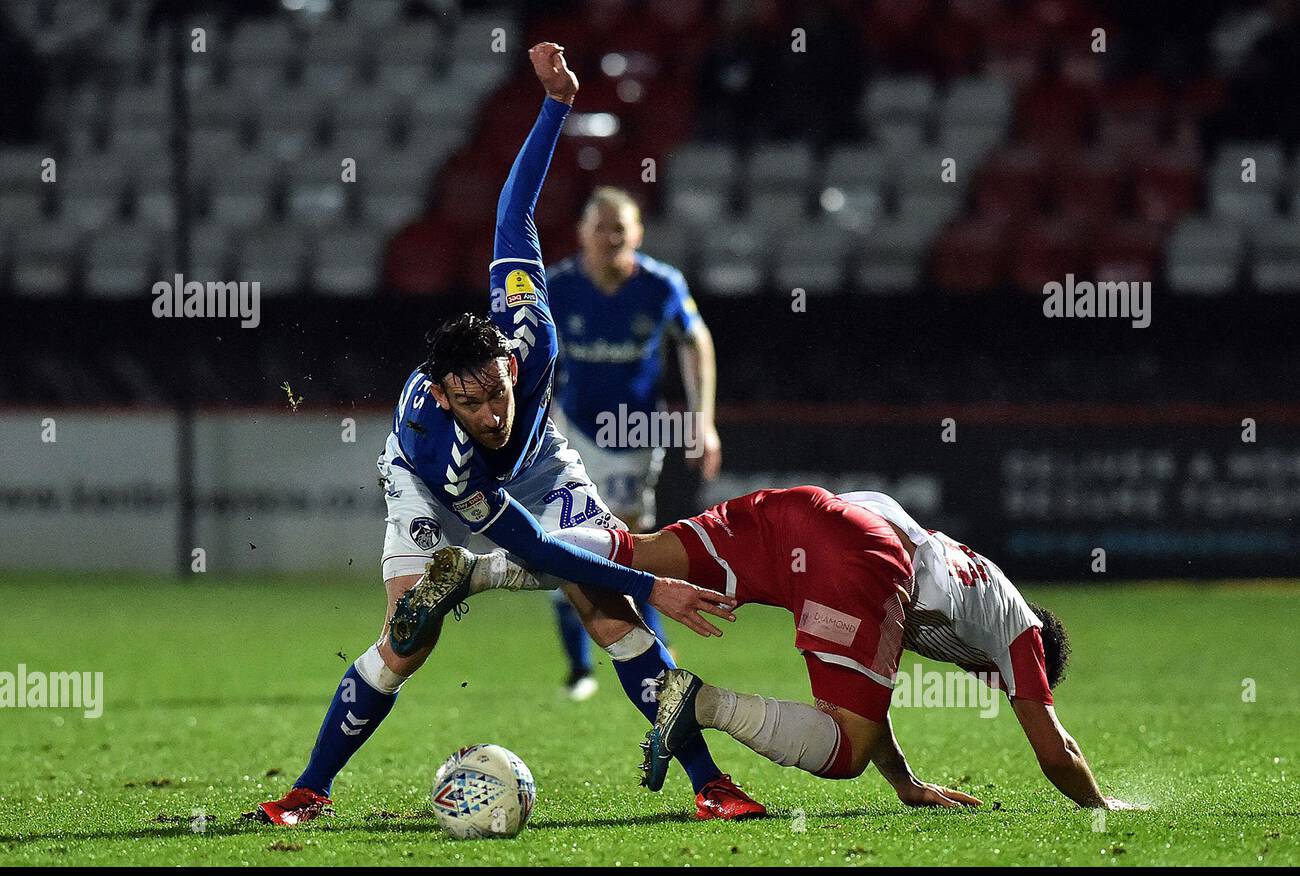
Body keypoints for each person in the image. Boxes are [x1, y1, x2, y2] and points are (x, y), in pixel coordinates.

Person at [252, 43, 763, 826]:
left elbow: (512, 210)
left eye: (495, 391)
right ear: (445, 399)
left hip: (541, 463)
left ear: (506, 366)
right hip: (429, 488)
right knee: (406, 639)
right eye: (472, 403)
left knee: (608, 612)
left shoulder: (529, 327)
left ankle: (710, 786)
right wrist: (653, 581)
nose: (490, 410)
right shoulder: (438, 444)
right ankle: (309, 791)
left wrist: (556, 104)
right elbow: (537, 549)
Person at [444, 486, 1138, 810]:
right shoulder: (1015, 627)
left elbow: (873, 679)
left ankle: (478, 568)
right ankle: (703, 702)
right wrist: (1103, 810)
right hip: (858, 559)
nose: (1003, 688)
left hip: (799, 511)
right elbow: (1057, 754)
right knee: (844, 752)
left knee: (639, 551)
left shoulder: (959, 575)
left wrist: (902, 782)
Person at [546, 186, 721, 700]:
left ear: (638, 234)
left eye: (620, 227)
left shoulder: (660, 284)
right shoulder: (555, 286)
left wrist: (704, 420)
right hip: (572, 431)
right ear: (582, 234)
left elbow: (696, 340)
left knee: (630, 544)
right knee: (563, 544)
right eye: (600, 227)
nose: (610, 237)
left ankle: (658, 662)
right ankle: (580, 670)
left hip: (634, 431)